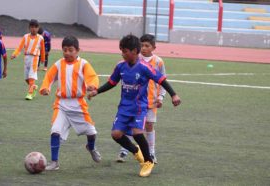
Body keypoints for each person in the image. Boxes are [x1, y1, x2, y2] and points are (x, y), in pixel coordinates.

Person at [87, 34, 181, 177]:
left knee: (137, 133)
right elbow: (112, 83)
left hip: (139, 107)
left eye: (125, 51)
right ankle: (135, 151)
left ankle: (148, 161)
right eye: (122, 51)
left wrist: (173, 94)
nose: (122, 54)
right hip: (124, 107)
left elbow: (161, 80)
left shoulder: (145, 67)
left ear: (134, 51)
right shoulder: (120, 66)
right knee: (116, 134)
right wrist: (97, 91)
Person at [40, 36, 101, 171]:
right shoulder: (58, 64)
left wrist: (92, 85)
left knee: (92, 132)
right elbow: (49, 77)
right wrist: (45, 88)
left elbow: (92, 77)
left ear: (78, 50)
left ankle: (90, 147)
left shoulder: (83, 64)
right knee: (55, 131)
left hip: (78, 104)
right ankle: (54, 162)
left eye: (70, 50)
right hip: (61, 104)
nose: (67, 53)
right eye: (65, 50)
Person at [117, 34, 166, 164]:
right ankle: (125, 149)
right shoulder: (133, 60)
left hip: (152, 100)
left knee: (149, 126)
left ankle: (151, 152)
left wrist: (161, 97)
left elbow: (163, 80)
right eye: (142, 45)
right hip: (135, 101)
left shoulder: (158, 62)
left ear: (153, 47)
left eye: (147, 45)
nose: (144, 48)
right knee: (130, 124)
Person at [11, 19, 45, 100]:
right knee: (26, 78)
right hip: (26, 58)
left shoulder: (40, 38)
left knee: (31, 76)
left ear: (38, 28)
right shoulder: (25, 37)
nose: (34, 29)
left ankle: (29, 94)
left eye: (35, 27)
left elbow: (43, 49)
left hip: (35, 58)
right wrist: (15, 54)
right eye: (32, 27)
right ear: (29, 28)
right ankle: (33, 87)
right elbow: (20, 47)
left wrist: (43, 59)